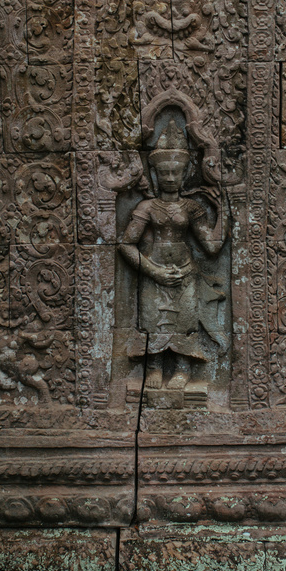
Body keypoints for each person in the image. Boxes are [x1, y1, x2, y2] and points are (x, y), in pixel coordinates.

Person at [119, 119, 228, 391]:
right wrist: (153, 271)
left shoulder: (191, 207)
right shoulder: (147, 206)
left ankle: (182, 367)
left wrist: (223, 213)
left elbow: (212, 247)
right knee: (152, 319)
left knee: (185, 320)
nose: (169, 178)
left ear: (185, 173)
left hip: (185, 273)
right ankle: (154, 366)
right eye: (164, 173)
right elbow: (126, 244)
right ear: (155, 175)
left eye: (175, 173)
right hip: (153, 272)